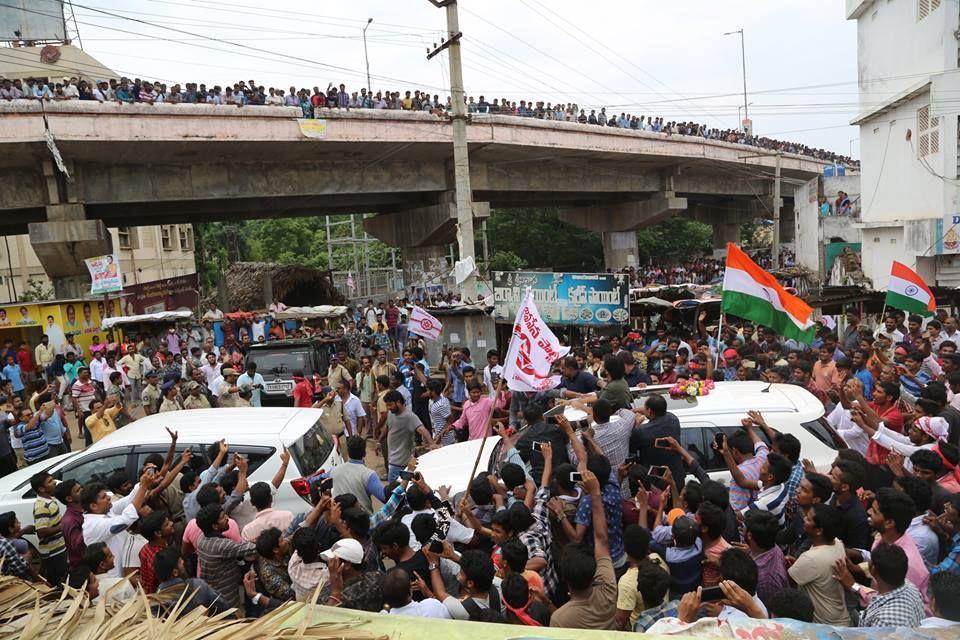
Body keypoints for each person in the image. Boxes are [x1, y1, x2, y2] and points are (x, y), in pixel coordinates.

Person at [550, 470, 618, 629]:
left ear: (565, 579)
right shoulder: (608, 590)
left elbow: (597, 540)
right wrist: (595, 493)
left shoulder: (560, 620)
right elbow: (601, 540)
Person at [787, 503, 849, 626]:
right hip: (840, 616)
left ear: (819, 530)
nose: (804, 519)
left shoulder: (810, 558)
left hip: (824, 624)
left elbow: (790, 582)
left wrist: (799, 566)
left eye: (809, 519)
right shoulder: (837, 542)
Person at [195, 504, 257, 610]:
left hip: (212, 595)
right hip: (227, 600)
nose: (227, 518)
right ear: (214, 526)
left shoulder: (201, 539)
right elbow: (252, 548)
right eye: (223, 517)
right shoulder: (222, 546)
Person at [382, 390, 436, 482]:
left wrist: (432, 444)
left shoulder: (410, 417)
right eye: (387, 405)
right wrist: (380, 440)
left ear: (398, 402)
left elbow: (422, 429)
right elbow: (387, 427)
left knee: (394, 491)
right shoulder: (391, 414)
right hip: (392, 460)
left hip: (400, 463)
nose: (388, 408)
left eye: (390, 405)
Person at [329, 435, 385, 514]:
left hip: (341, 522)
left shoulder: (334, 471)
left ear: (348, 452)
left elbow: (316, 478)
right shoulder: (368, 475)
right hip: (362, 522)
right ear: (364, 453)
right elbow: (385, 498)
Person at [31, 471, 68, 586]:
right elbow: (41, 531)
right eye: (50, 482)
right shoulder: (42, 506)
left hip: (59, 548)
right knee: (59, 582)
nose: (55, 483)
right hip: (53, 552)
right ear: (41, 489)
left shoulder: (50, 499)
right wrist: (63, 526)